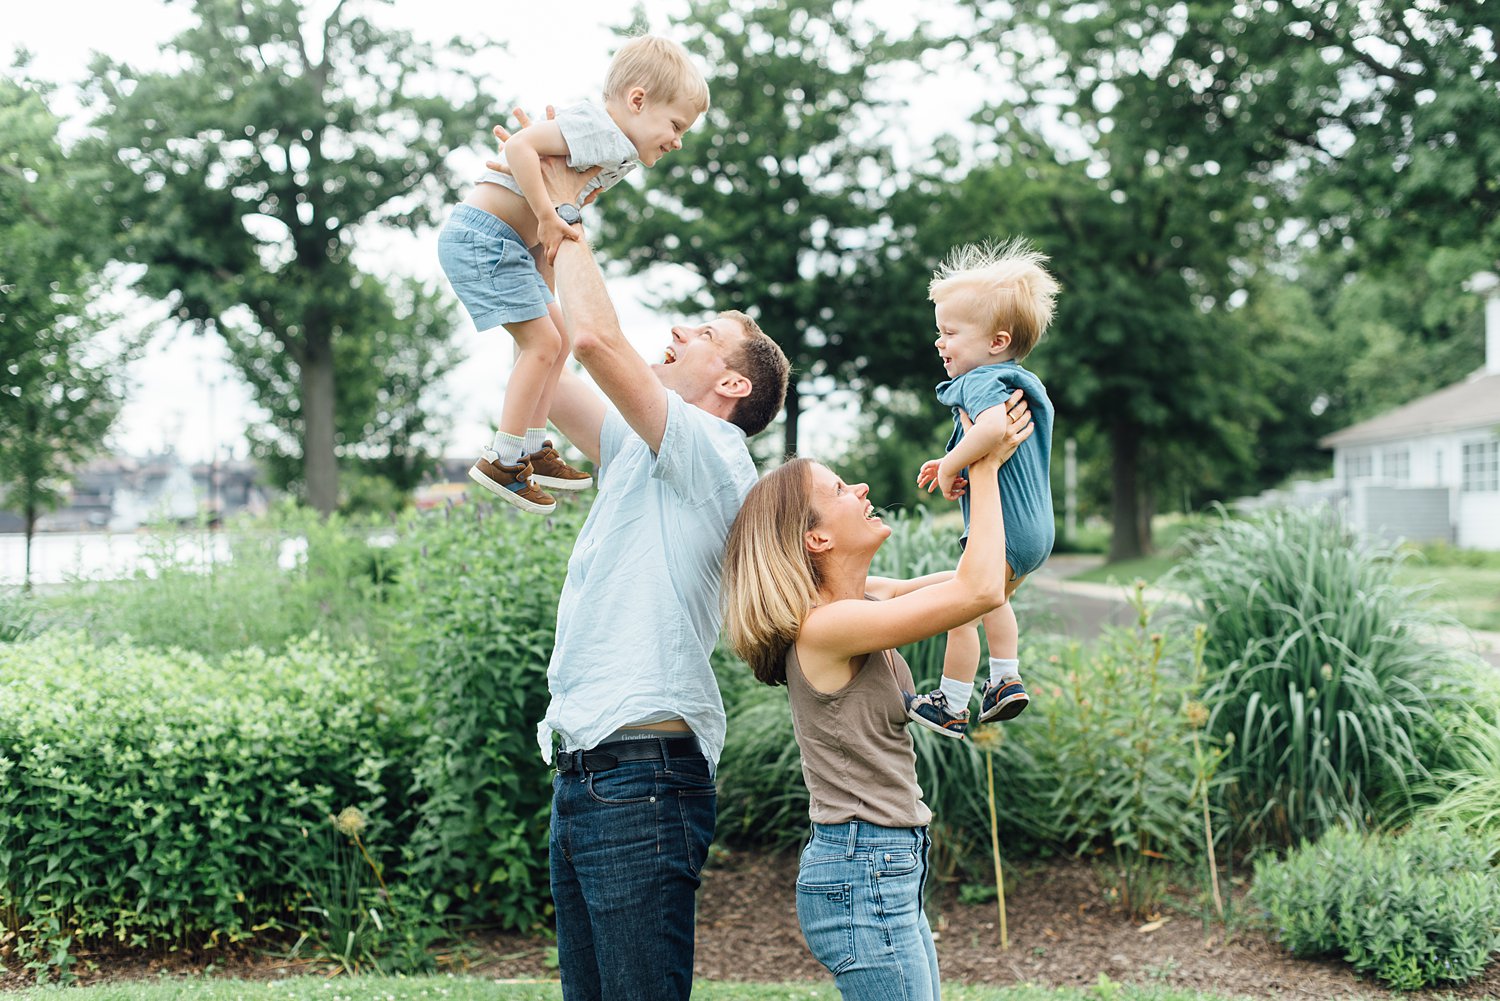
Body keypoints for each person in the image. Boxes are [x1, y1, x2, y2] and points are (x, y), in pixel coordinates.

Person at [488, 111, 790, 1001]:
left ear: (731, 384)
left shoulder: (711, 452)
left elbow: (596, 341)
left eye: (700, 332)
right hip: (587, 772)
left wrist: (564, 219)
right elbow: (550, 352)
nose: (677, 333)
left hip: (643, 778)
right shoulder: (640, 444)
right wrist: (524, 212)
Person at [720, 399, 1032, 1000]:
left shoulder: (865, 606)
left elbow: (989, 584)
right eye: (840, 488)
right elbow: (976, 589)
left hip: (881, 863)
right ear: (816, 537)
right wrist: (984, 466)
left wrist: (978, 474)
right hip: (862, 868)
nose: (860, 487)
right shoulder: (826, 629)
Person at [437, 35, 711, 514]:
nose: (678, 140)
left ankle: (534, 448)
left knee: (556, 339)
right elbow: (522, 147)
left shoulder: (618, 151)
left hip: (513, 244)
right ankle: (502, 458)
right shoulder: (599, 129)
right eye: (675, 124)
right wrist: (546, 214)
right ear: (638, 100)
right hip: (485, 237)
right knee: (542, 343)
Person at [905, 239, 1059, 738]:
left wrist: (952, 468)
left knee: (962, 610)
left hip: (1002, 528)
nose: (939, 342)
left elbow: (992, 433)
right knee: (991, 602)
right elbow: (996, 445)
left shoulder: (980, 381)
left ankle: (950, 703)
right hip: (1037, 531)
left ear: (995, 342)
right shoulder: (1023, 384)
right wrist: (954, 460)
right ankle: (1005, 680)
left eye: (949, 332)